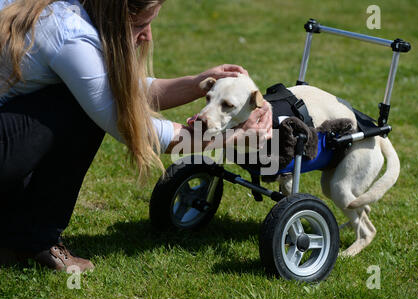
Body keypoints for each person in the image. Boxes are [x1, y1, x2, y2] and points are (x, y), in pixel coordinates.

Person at [0, 0, 272, 271]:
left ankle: (16, 231)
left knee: (78, 100)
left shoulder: (70, 11)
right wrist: (235, 138)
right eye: (141, 24)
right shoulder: (72, 37)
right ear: (113, 16)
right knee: (79, 108)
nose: (148, 35)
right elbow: (133, 126)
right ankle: (35, 239)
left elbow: (108, 85)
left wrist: (196, 83)